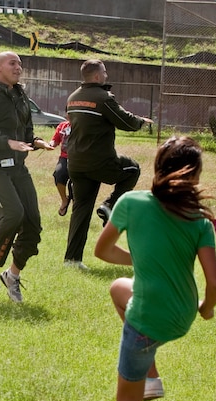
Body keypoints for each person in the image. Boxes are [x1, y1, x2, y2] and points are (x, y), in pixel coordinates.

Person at [94, 135, 216, 401]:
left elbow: (102, 251)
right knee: (119, 289)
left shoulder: (130, 202)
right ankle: (151, 375)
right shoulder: (199, 220)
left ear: (157, 168)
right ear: (194, 177)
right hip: (182, 315)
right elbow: (214, 282)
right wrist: (207, 308)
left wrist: (139, 256)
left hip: (147, 321)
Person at [0, 51, 53, 303]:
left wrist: (37, 142)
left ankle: (12, 275)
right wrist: (7, 143)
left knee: (33, 224)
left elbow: (26, 131)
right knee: (13, 214)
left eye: (20, 64)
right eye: (12, 63)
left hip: (17, 166)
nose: (18, 68)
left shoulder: (20, 94)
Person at [64, 59, 151, 269]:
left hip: (75, 163)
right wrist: (141, 122)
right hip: (99, 162)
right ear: (96, 76)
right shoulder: (103, 98)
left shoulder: (73, 97)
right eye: (104, 72)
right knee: (132, 169)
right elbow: (126, 121)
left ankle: (72, 260)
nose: (106, 75)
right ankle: (110, 206)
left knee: (81, 209)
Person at [49, 119, 72, 217]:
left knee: (75, 185)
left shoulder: (82, 125)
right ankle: (64, 200)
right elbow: (55, 140)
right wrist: (50, 144)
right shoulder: (62, 126)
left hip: (79, 158)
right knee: (58, 175)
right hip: (64, 157)